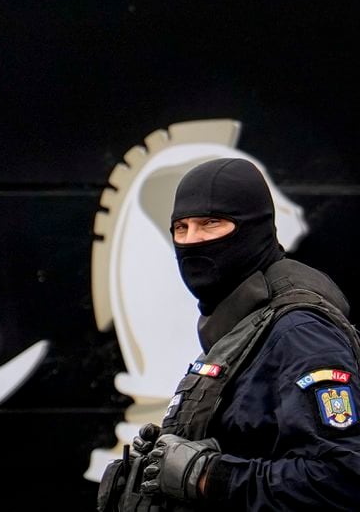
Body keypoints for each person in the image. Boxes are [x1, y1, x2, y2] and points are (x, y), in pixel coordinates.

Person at [97, 157, 360, 511]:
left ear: (254, 227)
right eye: (181, 227)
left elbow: (343, 478)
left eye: (211, 223)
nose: (192, 240)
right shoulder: (243, 323)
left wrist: (208, 476)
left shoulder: (300, 331)